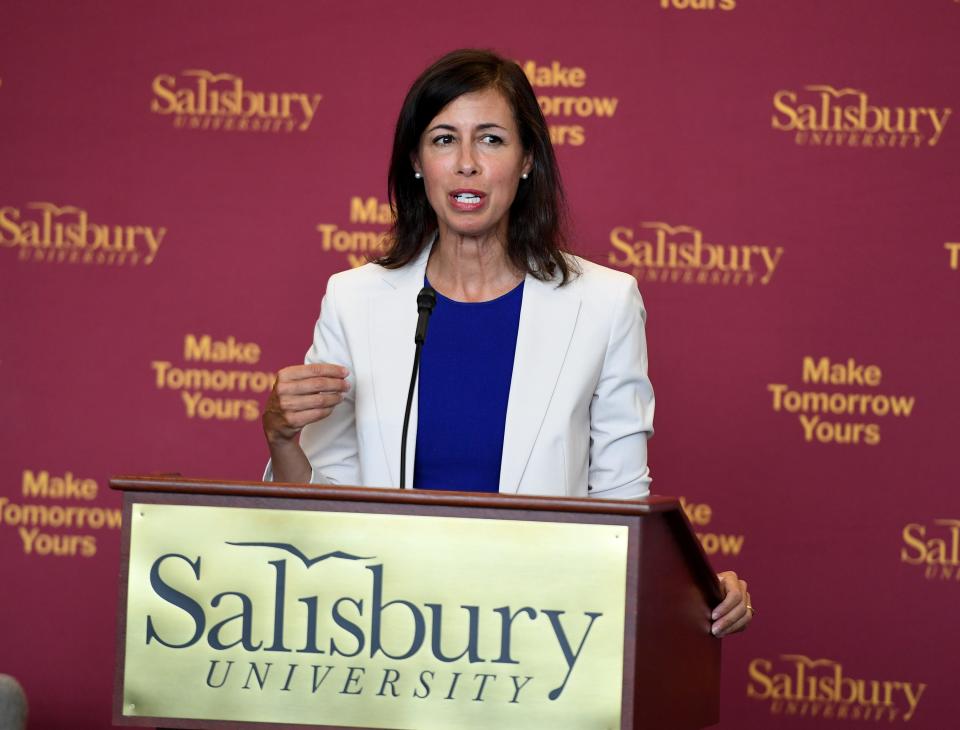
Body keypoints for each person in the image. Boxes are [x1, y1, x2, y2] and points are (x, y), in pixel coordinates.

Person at [262, 49, 752, 636]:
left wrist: (700, 591)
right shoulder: (354, 299)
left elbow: (621, 507)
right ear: (417, 162)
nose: (466, 163)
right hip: (383, 631)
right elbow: (322, 514)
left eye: (491, 140)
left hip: (539, 634)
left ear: (526, 162)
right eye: (444, 139)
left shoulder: (604, 302)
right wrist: (282, 437)